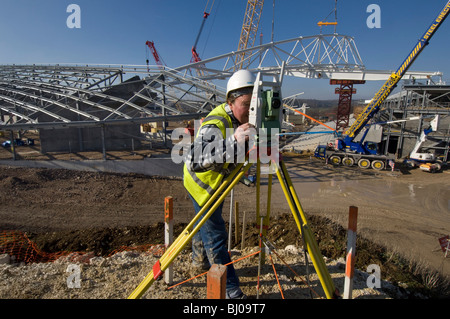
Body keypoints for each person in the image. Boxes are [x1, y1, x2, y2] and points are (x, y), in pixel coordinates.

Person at [183, 69, 256, 299]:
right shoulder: (216, 123)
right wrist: (233, 141)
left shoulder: (244, 121)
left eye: (254, 104)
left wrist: (246, 172)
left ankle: (199, 261)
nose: (251, 110)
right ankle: (230, 290)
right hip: (202, 186)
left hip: (216, 186)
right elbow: (194, 158)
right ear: (231, 101)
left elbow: (238, 156)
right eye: (246, 104)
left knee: (203, 227)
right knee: (216, 235)